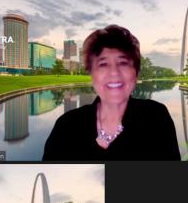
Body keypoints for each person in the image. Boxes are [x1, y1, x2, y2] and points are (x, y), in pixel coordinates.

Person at [42, 25, 180, 160]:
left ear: (136, 72)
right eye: (103, 64)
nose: (114, 73)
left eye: (123, 63)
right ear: (91, 73)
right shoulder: (66, 126)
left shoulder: (156, 117)